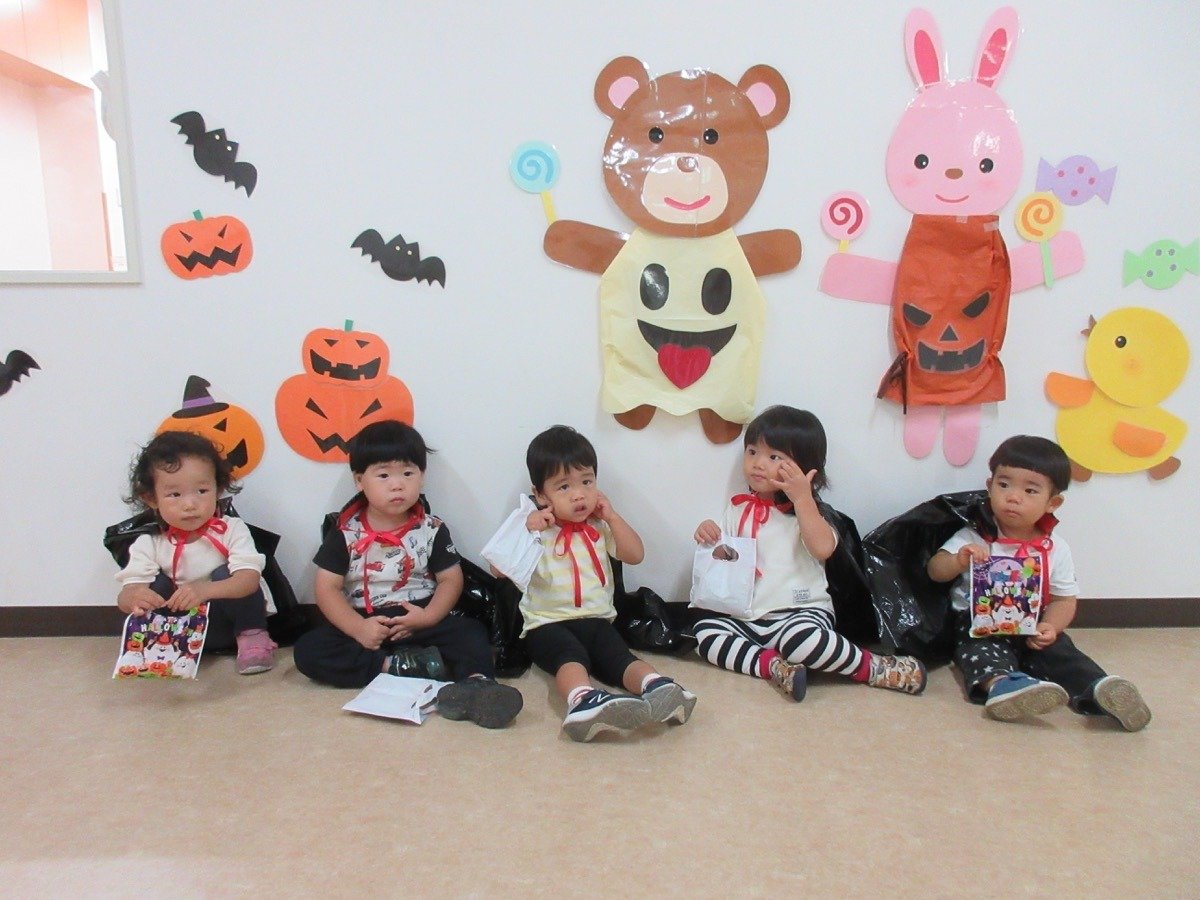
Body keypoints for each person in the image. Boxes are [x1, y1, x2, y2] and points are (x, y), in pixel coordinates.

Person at [292, 420, 522, 729]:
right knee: (309, 650)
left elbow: (450, 579)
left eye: (408, 474)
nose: (397, 485)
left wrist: (428, 617)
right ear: (360, 480)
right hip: (366, 623)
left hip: (418, 618)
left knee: (470, 633)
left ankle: (477, 684)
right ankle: (395, 666)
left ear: (422, 477)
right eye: (384, 475)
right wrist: (358, 629)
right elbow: (326, 588)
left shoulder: (431, 528)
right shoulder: (345, 532)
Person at [693, 406, 926, 700]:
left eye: (774, 457)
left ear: (805, 469)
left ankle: (873, 667)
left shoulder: (810, 513)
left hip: (800, 613)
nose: (758, 464)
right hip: (749, 617)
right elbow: (728, 557)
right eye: (752, 452)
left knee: (803, 642)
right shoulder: (738, 508)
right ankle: (772, 666)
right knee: (705, 633)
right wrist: (710, 536)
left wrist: (803, 499)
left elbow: (823, 548)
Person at [926, 435, 1151, 730]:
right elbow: (935, 571)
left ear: (1052, 503)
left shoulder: (1055, 547)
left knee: (1060, 652)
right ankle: (1004, 686)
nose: (1013, 497)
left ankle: (1099, 689)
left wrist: (1051, 626)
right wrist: (958, 560)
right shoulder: (975, 535)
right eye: (1004, 485)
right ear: (989, 486)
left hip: (1031, 622)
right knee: (981, 653)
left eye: (1030, 490)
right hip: (978, 623)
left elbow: (1063, 599)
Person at [516, 425, 696, 742]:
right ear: (540, 495)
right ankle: (582, 701)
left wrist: (612, 517)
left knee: (619, 656)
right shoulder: (535, 529)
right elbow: (498, 568)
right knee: (569, 656)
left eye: (587, 482)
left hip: (597, 620)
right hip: (546, 624)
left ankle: (657, 687)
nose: (579, 494)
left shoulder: (599, 527)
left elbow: (635, 554)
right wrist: (526, 529)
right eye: (564, 487)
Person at [116, 431, 277, 674]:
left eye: (202, 491)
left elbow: (249, 581)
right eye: (175, 495)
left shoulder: (230, 529)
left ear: (218, 489)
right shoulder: (150, 541)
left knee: (227, 573)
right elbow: (125, 596)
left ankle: (253, 638)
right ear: (152, 499)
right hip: (181, 631)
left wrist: (204, 590)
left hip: (229, 627)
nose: (190, 504)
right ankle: (161, 649)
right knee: (153, 584)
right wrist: (135, 597)